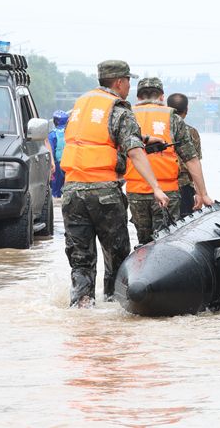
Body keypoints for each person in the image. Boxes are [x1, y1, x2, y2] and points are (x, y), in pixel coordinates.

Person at [60, 60, 169, 308]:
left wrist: (146, 138)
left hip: (72, 193)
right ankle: (115, 306)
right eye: (128, 80)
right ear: (119, 82)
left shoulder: (80, 106)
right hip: (104, 193)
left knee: (80, 259)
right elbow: (134, 152)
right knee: (117, 256)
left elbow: (94, 139)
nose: (130, 86)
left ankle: (82, 307)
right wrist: (156, 186)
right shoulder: (118, 108)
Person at [125, 78, 214, 245]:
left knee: (143, 243)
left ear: (137, 97)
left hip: (135, 192)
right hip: (167, 193)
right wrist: (203, 194)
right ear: (161, 96)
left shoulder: (126, 116)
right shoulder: (172, 118)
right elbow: (191, 159)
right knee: (165, 244)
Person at [166, 92, 202, 218]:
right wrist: (200, 193)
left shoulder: (159, 130)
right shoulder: (192, 132)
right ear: (186, 110)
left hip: (162, 185)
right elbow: (195, 163)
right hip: (185, 187)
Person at [48, 110, 69, 198]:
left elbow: (50, 150)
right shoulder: (69, 132)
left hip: (57, 163)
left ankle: (56, 199)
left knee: (56, 186)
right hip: (69, 163)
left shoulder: (52, 134)